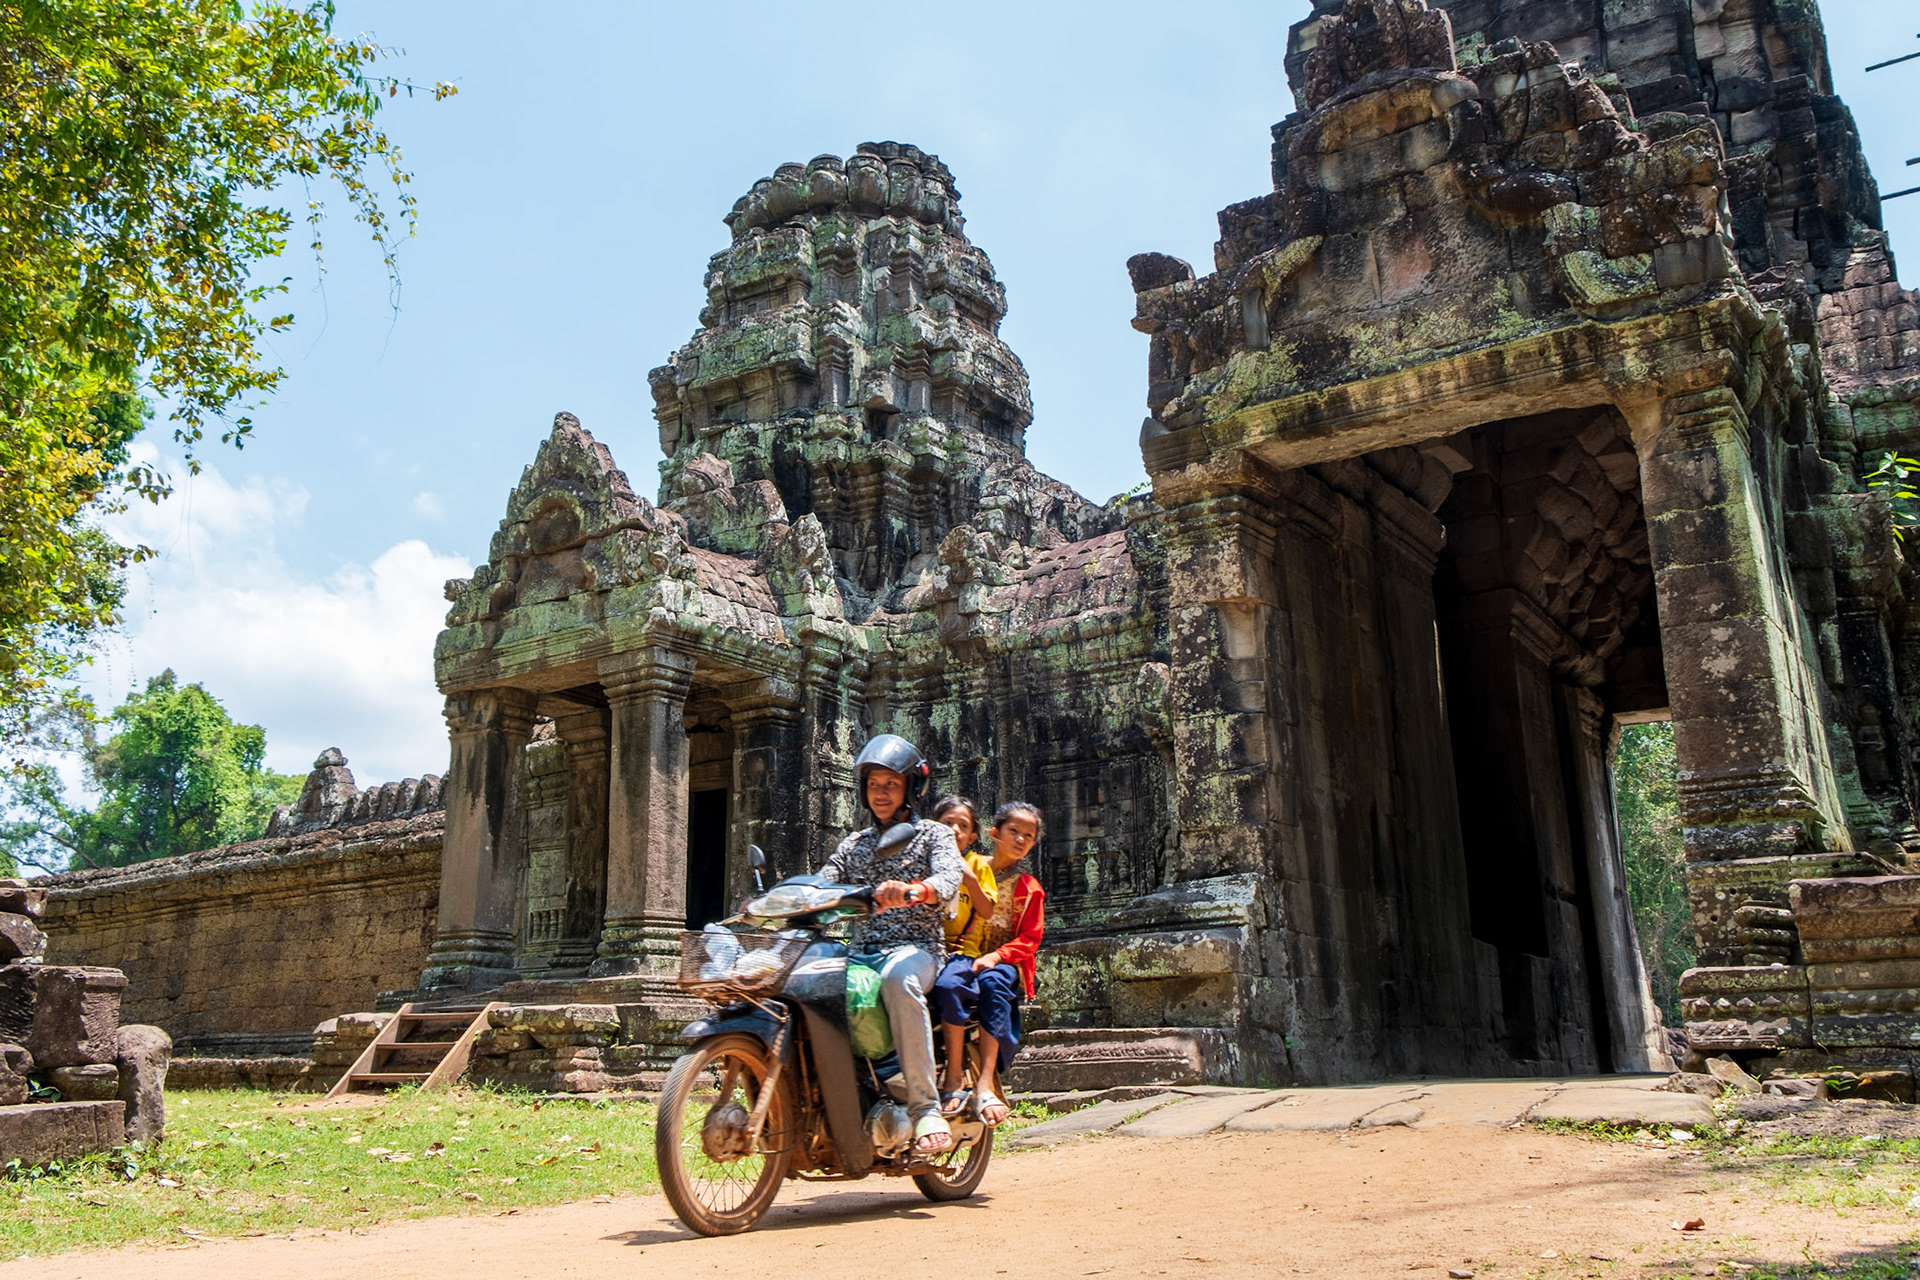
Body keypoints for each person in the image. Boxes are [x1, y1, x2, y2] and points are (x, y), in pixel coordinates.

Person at [818, 734, 965, 1155]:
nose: (880, 793)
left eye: (890, 784)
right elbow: (823, 882)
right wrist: (778, 899)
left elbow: (948, 879)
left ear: (910, 788)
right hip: (860, 953)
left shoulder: (934, 835)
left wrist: (915, 890)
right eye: (873, 785)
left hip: (916, 950)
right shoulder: (854, 845)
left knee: (898, 979)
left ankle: (924, 1108)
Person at [930, 800, 1045, 1127]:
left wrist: (995, 956)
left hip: (1002, 961)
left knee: (994, 983)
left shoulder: (1029, 888)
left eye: (1028, 836)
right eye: (1014, 832)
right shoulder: (970, 864)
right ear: (994, 833)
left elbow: (1030, 939)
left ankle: (985, 1084)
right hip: (958, 953)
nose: (1020, 840)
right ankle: (947, 1074)